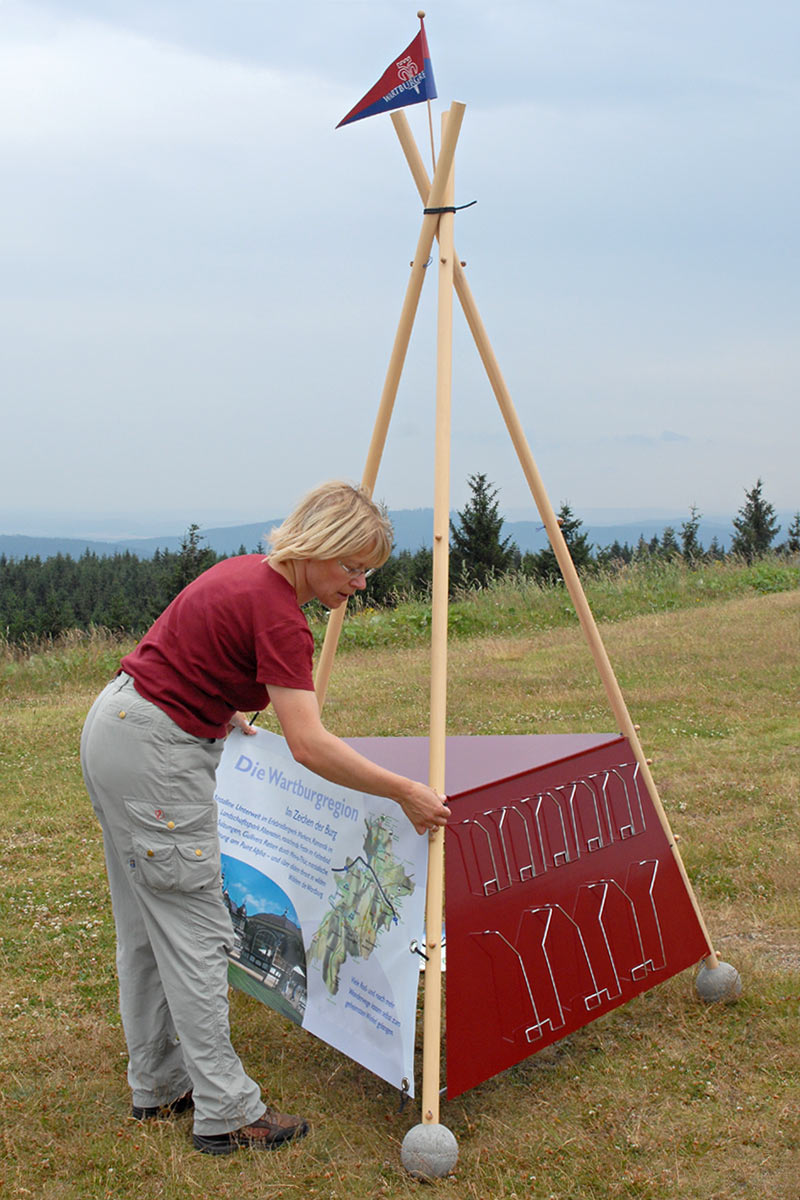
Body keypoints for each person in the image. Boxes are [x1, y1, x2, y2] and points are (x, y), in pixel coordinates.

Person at [80, 481, 451, 1156]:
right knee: (197, 934)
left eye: (368, 570)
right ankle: (227, 1112)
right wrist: (404, 791)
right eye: (352, 566)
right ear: (321, 548)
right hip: (156, 756)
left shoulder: (243, 576)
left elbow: (196, 655)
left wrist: (224, 706)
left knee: (145, 928)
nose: (360, 583)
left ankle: (158, 1084)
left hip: (118, 726)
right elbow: (308, 743)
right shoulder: (282, 615)